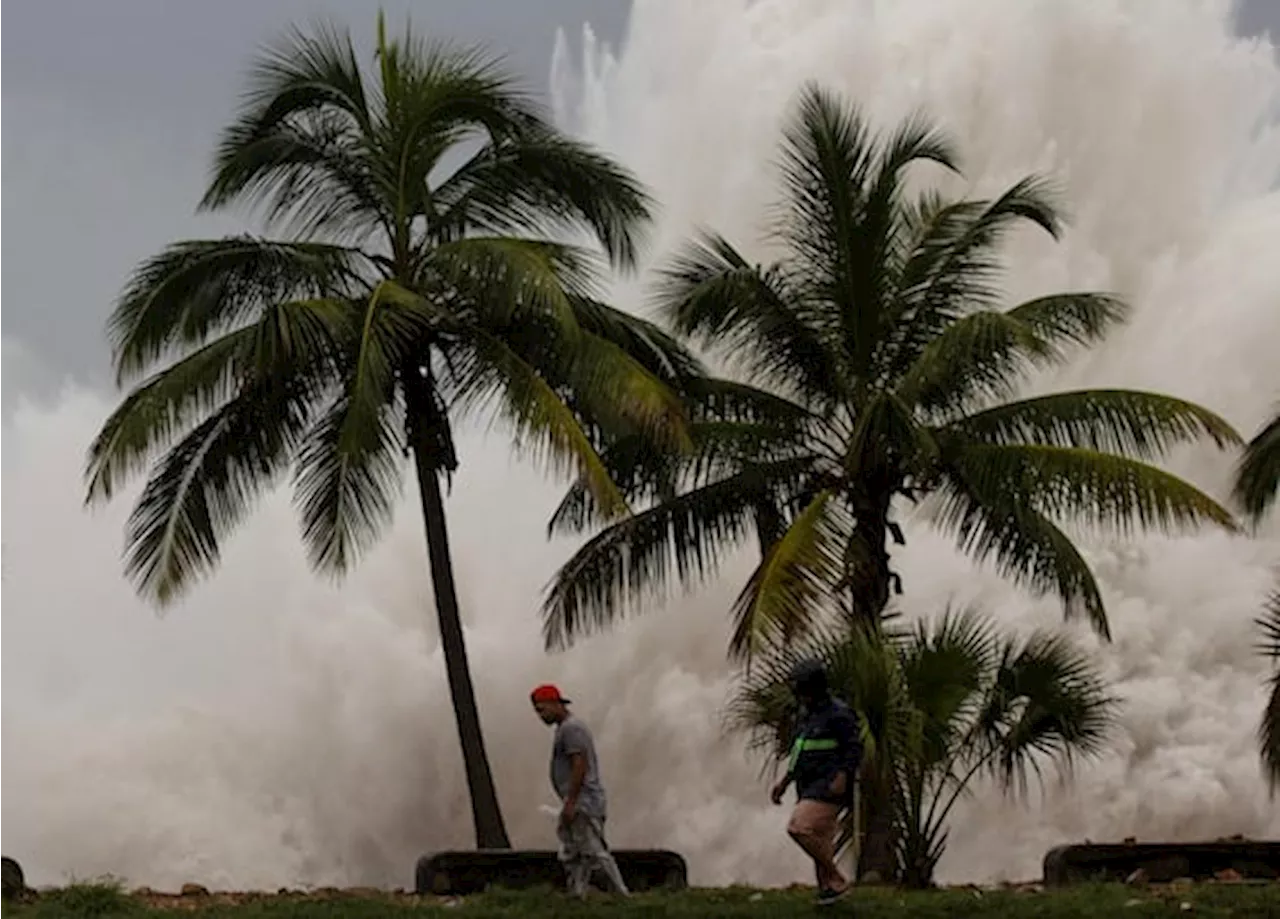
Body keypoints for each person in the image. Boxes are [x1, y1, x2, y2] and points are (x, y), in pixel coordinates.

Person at [769, 658, 863, 906]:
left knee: (799, 828)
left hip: (829, 785)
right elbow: (799, 751)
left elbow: (853, 749)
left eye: (800, 687)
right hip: (807, 784)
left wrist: (843, 775)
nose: (797, 693)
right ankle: (830, 892)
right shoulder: (806, 715)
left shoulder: (839, 714)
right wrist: (785, 781)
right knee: (820, 838)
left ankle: (836, 878)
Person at [530, 683, 630, 898]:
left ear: (555, 704)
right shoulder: (565, 728)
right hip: (577, 799)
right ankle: (577, 893)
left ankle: (620, 893)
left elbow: (579, 764)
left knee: (593, 850)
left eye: (542, 709)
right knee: (574, 851)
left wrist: (571, 802)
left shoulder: (572, 729)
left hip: (583, 801)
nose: (540, 716)